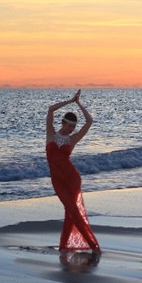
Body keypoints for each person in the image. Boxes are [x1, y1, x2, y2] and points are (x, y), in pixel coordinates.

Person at [46, 90, 101, 258]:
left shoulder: (72, 139)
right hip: (58, 181)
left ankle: (93, 247)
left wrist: (79, 104)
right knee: (70, 211)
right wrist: (70, 100)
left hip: (72, 179)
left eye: (73, 127)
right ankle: (65, 245)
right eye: (69, 125)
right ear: (62, 123)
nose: (71, 128)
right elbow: (50, 110)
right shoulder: (51, 135)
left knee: (73, 212)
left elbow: (89, 121)